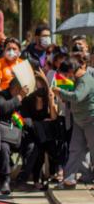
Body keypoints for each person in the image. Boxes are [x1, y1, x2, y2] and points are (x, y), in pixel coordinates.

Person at [52, 56, 94, 187]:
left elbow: (77, 96)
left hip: (90, 119)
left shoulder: (86, 80)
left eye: (65, 73)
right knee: (74, 149)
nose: (65, 76)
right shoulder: (77, 79)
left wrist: (60, 92)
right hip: (79, 120)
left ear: (71, 70)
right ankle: (69, 179)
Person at [0, 78, 30, 194]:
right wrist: (19, 97)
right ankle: (5, 180)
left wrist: (19, 120)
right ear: (14, 88)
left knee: (33, 146)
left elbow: (29, 118)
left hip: (20, 133)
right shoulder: (0, 95)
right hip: (5, 135)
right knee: (3, 147)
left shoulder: (26, 98)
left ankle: (22, 178)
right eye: (20, 90)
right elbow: (4, 108)